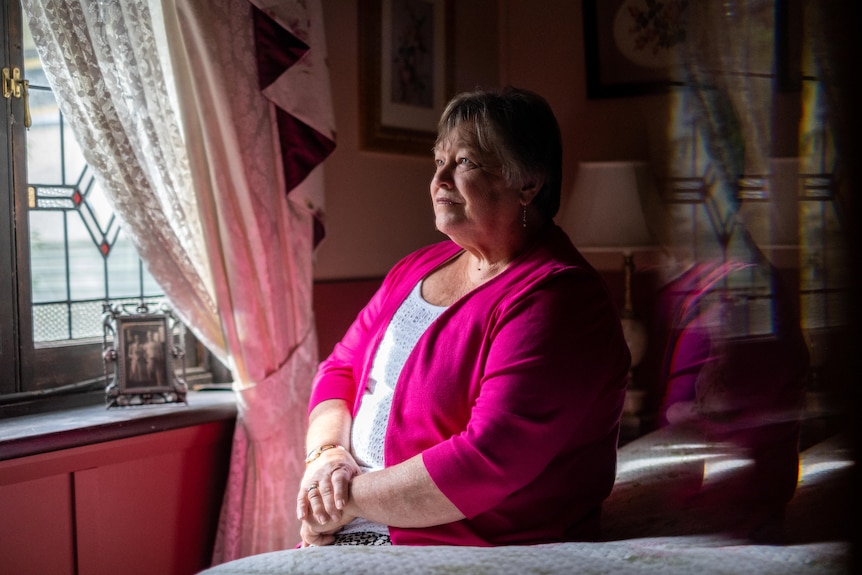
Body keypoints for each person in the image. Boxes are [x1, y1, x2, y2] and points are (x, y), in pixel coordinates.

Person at [296, 87, 631, 548]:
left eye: (466, 162)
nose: (440, 181)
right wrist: (326, 457)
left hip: (459, 546)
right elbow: (340, 369)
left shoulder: (560, 297)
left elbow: (487, 459)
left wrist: (343, 500)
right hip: (354, 524)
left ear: (528, 183)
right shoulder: (415, 268)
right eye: (439, 162)